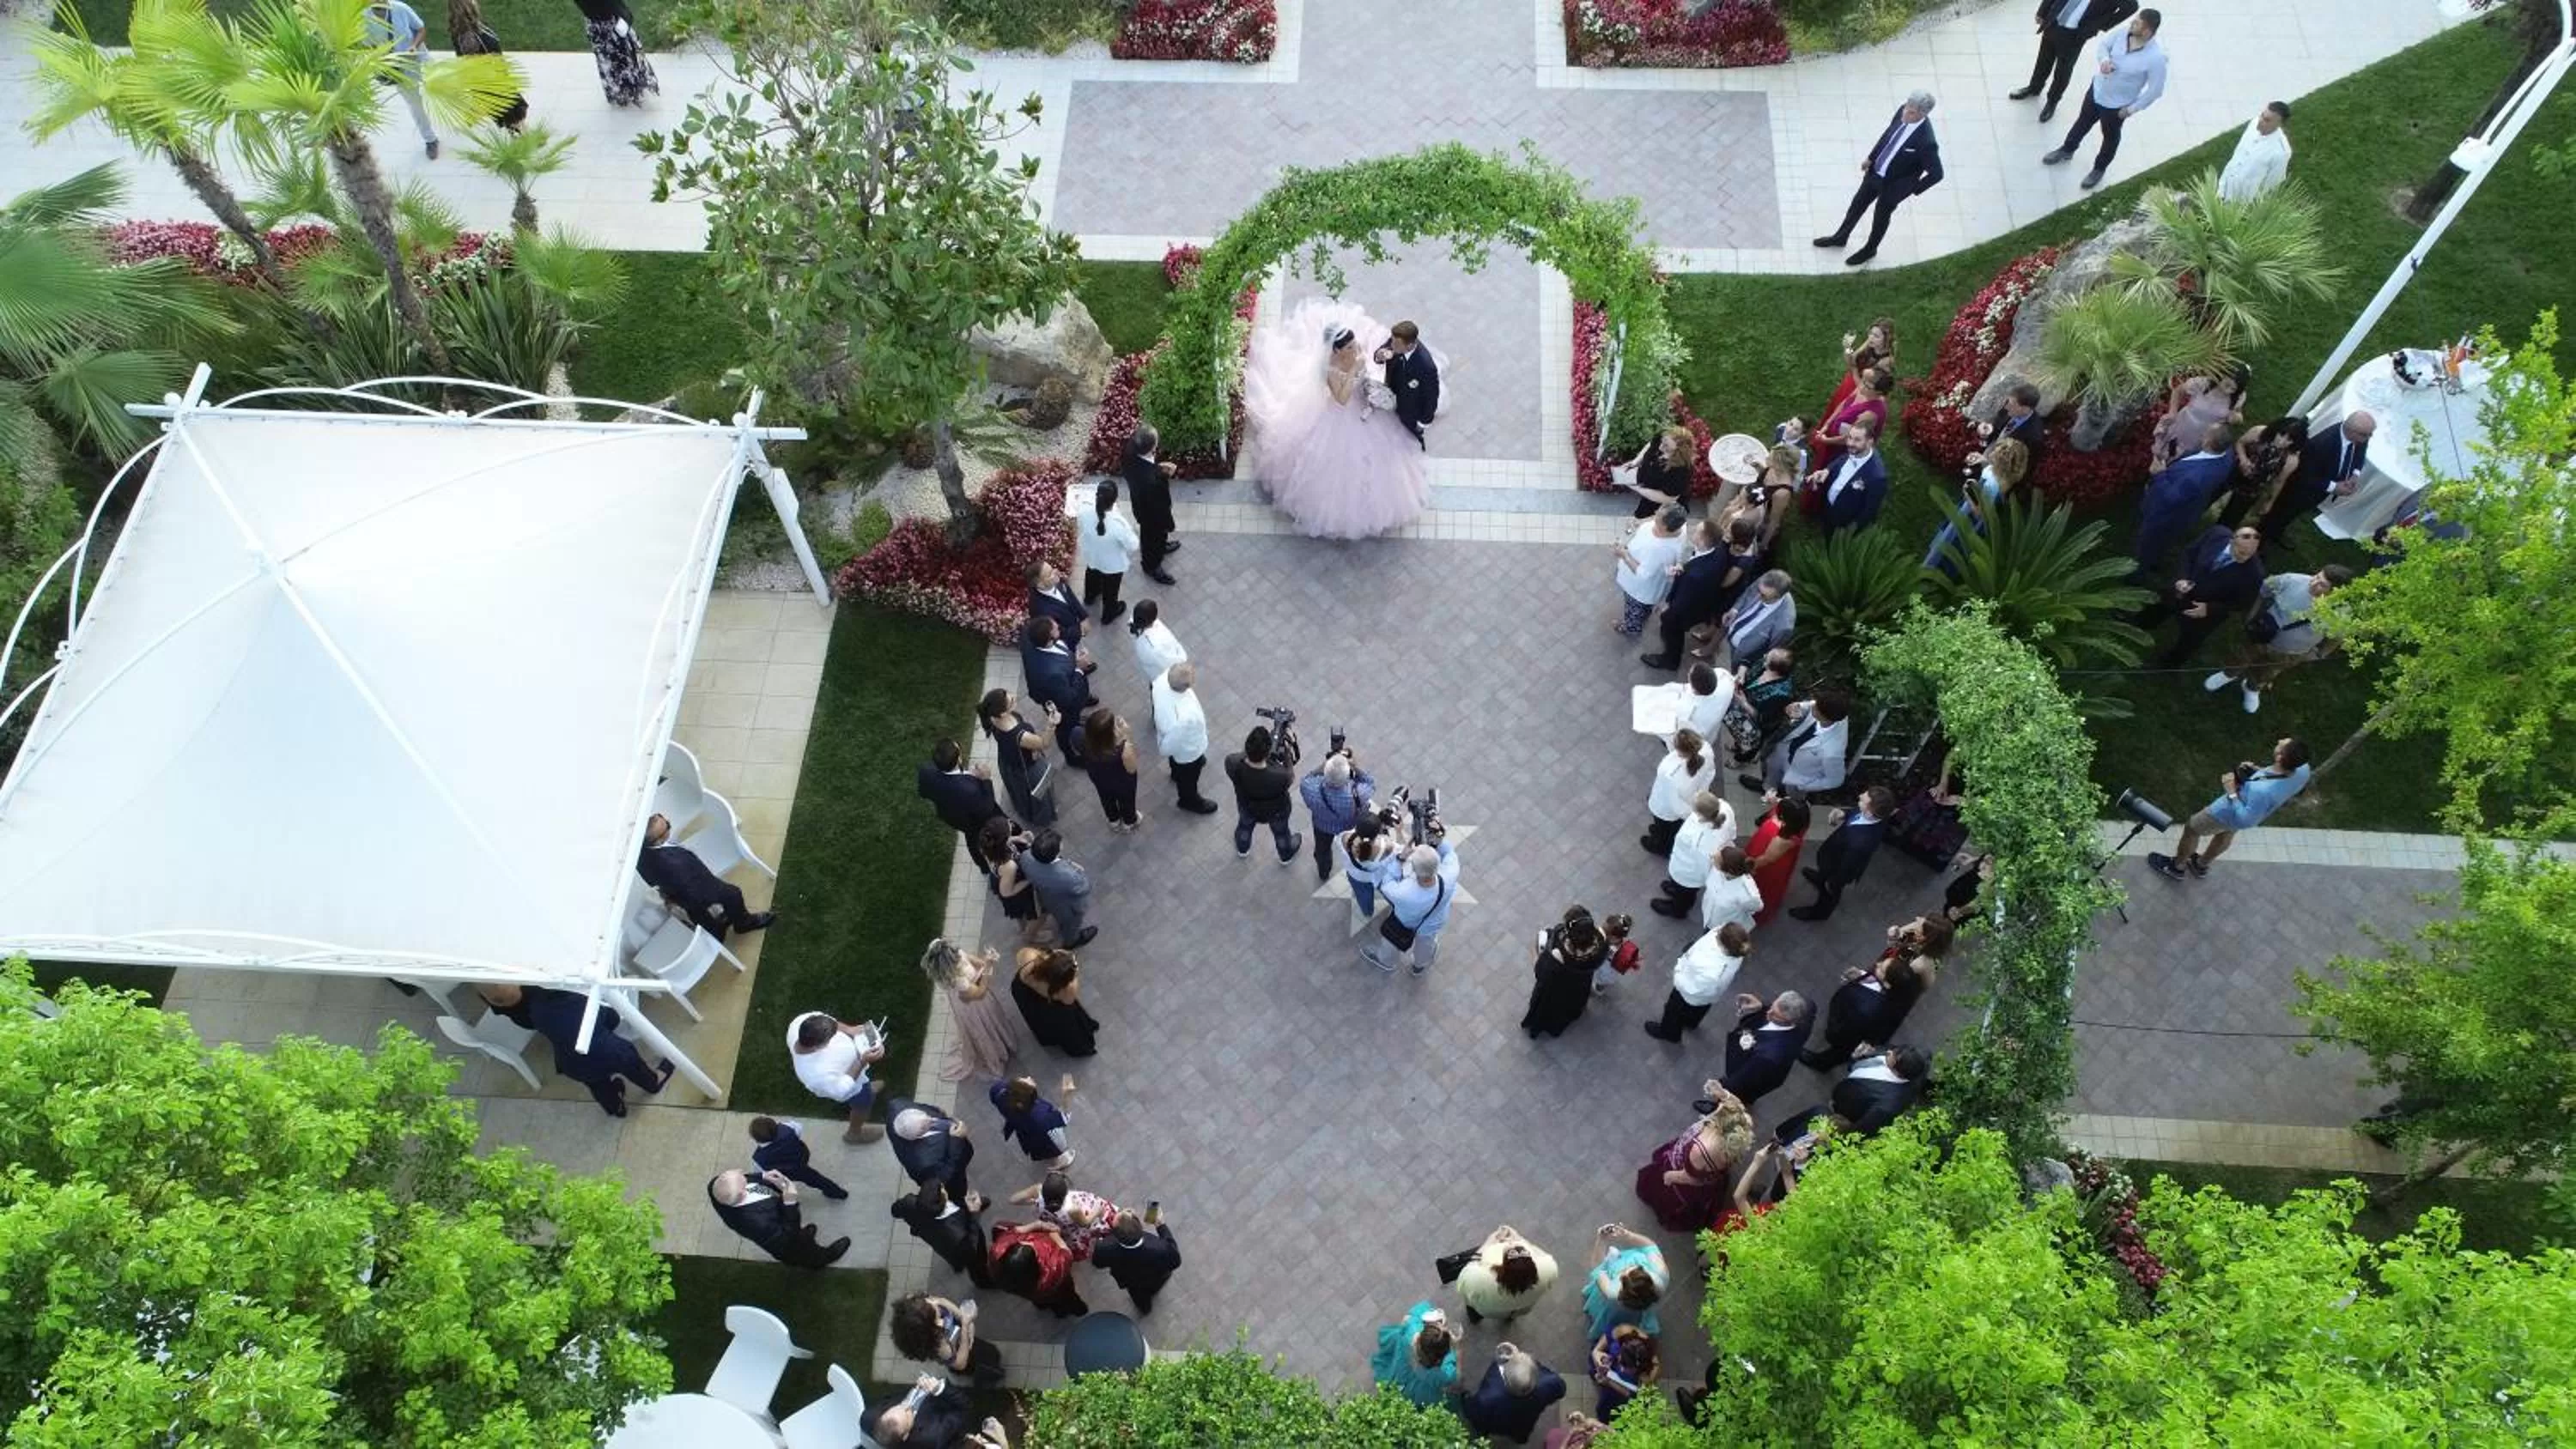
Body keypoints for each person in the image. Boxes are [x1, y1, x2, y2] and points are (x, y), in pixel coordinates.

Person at [1241, 301, 1431, 537]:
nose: (1355, 349)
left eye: (1354, 345)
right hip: (1339, 415)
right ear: (1336, 351)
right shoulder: (1328, 370)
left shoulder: (1355, 352)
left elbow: (1364, 366)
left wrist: (1368, 377)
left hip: (1364, 405)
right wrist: (1354, 371)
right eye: (1349, 347)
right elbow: (1341, 399)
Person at [479, 983, 668, 1116]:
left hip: (572, 1064)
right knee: (632, 1064)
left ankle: (614, 1107)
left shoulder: (532, 1016)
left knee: (597, 1084)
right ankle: (653, 1082)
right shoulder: (561, 1000)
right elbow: (611, 1018)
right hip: (608, 1051)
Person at [2149, 736, 2312, 879]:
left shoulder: (2262, 791)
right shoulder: (2303, 770)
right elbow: (2278, 777)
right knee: (2227, 832)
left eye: (2283, 744)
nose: (2280, 740)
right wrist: (2258, 771)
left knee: (2192, 828)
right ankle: (2200, 865)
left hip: (2227, 811)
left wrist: (2231, 791)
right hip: (2251, 809)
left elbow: (2246, 820)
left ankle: (2176, 867)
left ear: (2280, 757)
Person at [1813, 92, 1945, 267]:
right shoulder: (1901, 112)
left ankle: (1870, 249)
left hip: (1895, 186)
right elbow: (1887, 136)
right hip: (1875, 172)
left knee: (1880, 217)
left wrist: (1912, 188)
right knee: (1857, 205)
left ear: (1923, 114)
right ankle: (1840, 238)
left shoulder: (1926, 141)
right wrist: (1871, 157)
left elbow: (1937, 174)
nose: (1905, 113)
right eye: (1906, 108)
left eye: (1911, 113)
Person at [2041, 8, 2168, 190]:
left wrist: (2131, 109)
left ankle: (2099, 169)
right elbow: (2103, 46)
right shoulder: (2123, 33)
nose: (2132, 23)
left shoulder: (2155, 58)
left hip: (2117, 106)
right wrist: (2104, 60)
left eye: (2137, 22)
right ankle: (2067, 149)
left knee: (2110, 137)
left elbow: (2155, 91)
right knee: (2083, 121)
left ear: (2147, 31)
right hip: (2097, 90)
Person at [1804, 916, 1950, 1069]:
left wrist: (1891, 981)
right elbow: (1895, 942)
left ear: (1926, 937)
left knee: (1864, 1027)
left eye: (1920, 928)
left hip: (1893, 990)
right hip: (1886, 972)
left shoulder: (1924, 965)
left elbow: (1922, 988)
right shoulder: (1916, 930)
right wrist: (1894, 936)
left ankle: (1825, 1062)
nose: (1917, 924)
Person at [2207, 566, 2352, 712]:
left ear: (2335, 592)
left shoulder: (2340, 613)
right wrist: (2252, 615)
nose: (2314, 583)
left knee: (2269, 671)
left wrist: (2321, 654)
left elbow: (2337, 637)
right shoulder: (2291, 580)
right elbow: (2264, 589)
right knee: (2242, 655)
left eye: (2322, 584)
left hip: (2292, 653)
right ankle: (2229, 674)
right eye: (2317, 577)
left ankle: (2252, 687)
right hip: (2261, 636)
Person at [2135, 524, 2269, 666]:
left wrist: (2209, 609)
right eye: (2241, 553)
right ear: (2231, 541)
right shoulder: (2216, 534)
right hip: (2182, 589)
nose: (2245, 558)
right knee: (2161, 605)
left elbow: (2242, 603)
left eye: (2250, 554)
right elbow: (2189, 554)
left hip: (2204, 610)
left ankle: (2170, 662)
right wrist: (2181, 577)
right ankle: (2142, 623)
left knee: (2190, 639)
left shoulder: (2255, 574)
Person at [1633, 1084, 1754, 1229]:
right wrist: (1723, 1094)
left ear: (1721, 1123)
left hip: (1684, 1172)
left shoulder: (1702, 1150)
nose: (1719, 1105)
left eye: (1720, 1107)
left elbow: (1691, 1178)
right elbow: (1737, 1106)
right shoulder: (1741, 1125)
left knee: (1665, 1194)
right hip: (1707, 1171)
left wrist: (1669, 1177)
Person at [636, 811, 772, 939]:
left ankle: (715, 930)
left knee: (699, 915)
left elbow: (651, 879)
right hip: (695, 888)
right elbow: (694, 890)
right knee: (733, 894)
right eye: (668, 825)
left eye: (663, 818)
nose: (668, 820)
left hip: (677, 891)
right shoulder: (672, 864)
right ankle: (743, 924)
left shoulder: (641, 853)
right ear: (659, 840)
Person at [2132, 422, 2240, 578]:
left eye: (2206, 433)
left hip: (2166, 515)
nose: (2203, 434)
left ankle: (2137, 575)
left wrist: (2159, 474)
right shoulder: (2227, 454)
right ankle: (2156, 561)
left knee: (2148, 545)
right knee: (2163, 543)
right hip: (2188, 510)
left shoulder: (2197, 477)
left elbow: (2171, 498)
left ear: (2208, 442)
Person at [2261, 411, 2375, 550]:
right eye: (2366, 435)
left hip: (2318, 492)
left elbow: (2360, 453)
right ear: (2351, 431)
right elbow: (2304, 476)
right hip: (2299, 491)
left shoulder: (2360, 437)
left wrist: (2355, 474)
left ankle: (2276, 532)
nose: (2369, 437)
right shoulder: (2321, 445)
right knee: (2279, 513)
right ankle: (2261, 540)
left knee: (2292, 515)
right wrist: (2334, 487)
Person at [2011, 0, 2140, 122]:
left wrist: (2103, 24)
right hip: (2054, 22)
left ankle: (2052, 101)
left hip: (2076, 33)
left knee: (2063, 70)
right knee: (2043, 60)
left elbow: (2132, 6)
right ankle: (2034, 88)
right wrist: (2042, 11)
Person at [1925, 437, 2029, 576]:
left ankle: (1932, 567)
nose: (1992, 452)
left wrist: (1967, 493)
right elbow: (1989, 469)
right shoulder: (2001, 476)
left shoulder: (1993, 486)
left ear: (2000, 462)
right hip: (1972, 506)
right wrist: (1983, 461)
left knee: (1952, 539)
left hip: (1969, 518)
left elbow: (1980, 513)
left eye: (1996, 452)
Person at [1788, 787, 1894, 922]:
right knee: (1825, 873)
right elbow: (1856, 812)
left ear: (1871, 810)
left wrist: (1834, 882)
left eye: (1864, 799)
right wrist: (1843, 813)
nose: (1860, 795)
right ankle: (1821, 877)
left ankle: (1820, 912)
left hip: (1838, 867)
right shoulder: (1872, 815)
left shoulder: (1862, 842)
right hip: (1832, 854)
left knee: (1831, 891)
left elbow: (1847, 867)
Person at [708, 1167, 850, 1267]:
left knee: (802, 1235)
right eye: (743, 1180)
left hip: (782, 1226)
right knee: (806, 1253)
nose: (743, 1174)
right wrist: (790, 1203)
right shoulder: (757, 1224)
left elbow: (744, 1178)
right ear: (742, 1194)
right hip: (788, 1246)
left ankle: (806, 1235)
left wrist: (763, 1176)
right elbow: (789, 1235)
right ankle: (824, 1258)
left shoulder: (717, 1186)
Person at [1638, 519, 1728, 671]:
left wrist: (1666, 606)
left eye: (1697, 531)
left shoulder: (1696, 575)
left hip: (1684, 610)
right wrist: (1683, 569)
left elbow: (1682, 602)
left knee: (1672, 630)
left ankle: (1670, 661)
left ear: (1702, 540)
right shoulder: (1719, 551)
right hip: (1701, 600)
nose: (1693, 531)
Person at [1361, 841, 1461, 977]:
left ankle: (1385, 961)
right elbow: (1449, 852)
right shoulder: (1451, 873)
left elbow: (1386, 882)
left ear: (1414, 868)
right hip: (1434, 920)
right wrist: (1438, 839)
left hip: (1404, 922)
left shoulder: (1403, 892)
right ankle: (1419, 967)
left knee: (1391, 940)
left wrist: (1400, 859)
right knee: (1426, 944)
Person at [1643, 920, 1749, 1045]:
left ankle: (1670, 1033)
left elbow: (1691, 988)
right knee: (1699, 1008)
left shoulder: (1712, 972)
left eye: (1719, 933)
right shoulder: (1737, 950)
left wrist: (1678, 974)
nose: (1716, 931)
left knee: (1673, 1010)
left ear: (1725, 946)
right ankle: (1690, 1022)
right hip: (1706, 996)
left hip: (1689, 993)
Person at [787, 1009, 884, 1142]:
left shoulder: (800, 1022)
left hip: (859, 1075)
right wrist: (862, 1061)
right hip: (854, 1088)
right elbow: (842, 1089)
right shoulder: (816, 1076)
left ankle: (868, 1087)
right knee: (864, 1102)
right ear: (818, 1046)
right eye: (832, 1037)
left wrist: (850, 1030)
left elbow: (830, 1022)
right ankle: (854, 1133)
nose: (836, 1035)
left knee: (867, 1089)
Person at [918, 738, 1008, 874]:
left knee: (973, 842)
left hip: (955, 818)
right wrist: (986, 780)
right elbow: (987, 808)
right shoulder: (971, 790)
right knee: (987, 838)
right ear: (959, 759)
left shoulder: (926, 772)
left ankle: (984, 868)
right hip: (979, 820)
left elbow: (923, 793)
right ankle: (1001, 857)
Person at [361, 2, 439, 158]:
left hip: (419, 59)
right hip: (398, 70)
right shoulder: (364, 18)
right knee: (414, 103)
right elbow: (367, 46)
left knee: (440, 86)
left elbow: (421, 29)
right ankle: (430, 140)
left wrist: (413, 46)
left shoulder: (400, 9)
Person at [1520, 905, 1607, 1040]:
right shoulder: (1601, 945)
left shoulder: (1558, 954)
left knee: (1547, 1010)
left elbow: (1540, 973)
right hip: (1578, 989)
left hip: (1553, 993)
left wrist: (1534, 952)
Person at [1459, 1343, 1568, 1446]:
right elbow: (1561, 1390)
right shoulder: (1551, 1383)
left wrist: (1464, 1396)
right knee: (1521, 1435)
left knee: (1482, 1426)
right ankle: (1520, 1440)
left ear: (1505, 1379)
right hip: (1524, 1424)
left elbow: (1473, 1413)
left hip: (1497, 1424)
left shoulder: (1489, 1395)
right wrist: (1519, 1359)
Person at [1719, 991, 1814, 1107]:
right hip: (1761, 1066)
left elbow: (1742, 1080)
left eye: (1775, 1015)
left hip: (1751, 1070)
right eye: (1772, 1006)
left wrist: (1723, 1089)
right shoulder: (1806, 1007)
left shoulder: (1770, 1055)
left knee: (1739, 1091)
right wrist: (1761, 1005)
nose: (1768, 1013)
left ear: (1791, 1021)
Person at [977, 688, 1055, 829]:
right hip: (1029, 769)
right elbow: (1044, 743)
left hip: (1009, 763)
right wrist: (1051, 725)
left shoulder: (993, 717)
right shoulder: (1019, 735)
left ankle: (1024, 809)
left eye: (1009, 694)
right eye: (1011, 700)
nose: (1014, 696)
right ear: (1003, 713)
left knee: (1020, 792)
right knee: (1041, 793)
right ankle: (1043, 818)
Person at [890, 1293, 1005, 1388]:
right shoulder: (940, 1347)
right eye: (936, 1320)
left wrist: (961, 1316)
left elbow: (942, 1301)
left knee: (988, 1352)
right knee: (981, 1361)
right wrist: (965, 1326)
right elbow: (960, 1363)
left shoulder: (924, 1306)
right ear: (927, 1332)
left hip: (962, 1338)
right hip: (963, 1352)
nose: (941, 1318)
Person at [1751, 688, 1850, 798]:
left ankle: (1784, 805)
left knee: (1791, 797)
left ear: (1824, 717)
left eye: (1815, 708)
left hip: (1799, 775)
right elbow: (1812, 704)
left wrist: (1805, 785)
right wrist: (1799, 706)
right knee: (1772, 771)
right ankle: (1767, 789)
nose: (1812, 705)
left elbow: (1835, 780)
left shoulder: (1833, 751)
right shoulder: (1835, 712)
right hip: (1786, 749)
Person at [1651, 791, 1735, 919]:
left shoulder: (1701, 839)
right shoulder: (1725, 807)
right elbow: (1732, 831)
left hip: (1688, 873)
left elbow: (1703, 866)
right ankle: (1677, 892)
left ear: (1700, 813)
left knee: (1685, 893)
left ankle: (1678, 910)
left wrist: (1700, 881)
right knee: (1682, 890)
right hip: (1687, 869)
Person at [1018, 617, 1092, 762]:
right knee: (1065, 727)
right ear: (1049, 639)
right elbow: (1069, 699)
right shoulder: (1053, 674)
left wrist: (1074, 659)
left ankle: (1076, 721)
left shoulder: (1029, 634)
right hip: (1062, 703)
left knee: (1073, 720)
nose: (1058, 626)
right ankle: (1071, 756)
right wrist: (1079, 669)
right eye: (1055, 628)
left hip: (1052, 687)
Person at [1224, 725, 1302, 864]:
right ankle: (1285, 855)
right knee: (1281, 833)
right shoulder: (1280, 776)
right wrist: (1287, 753)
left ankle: (1243, 848)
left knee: (1244, 826)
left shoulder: (1232, 763)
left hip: (1247, 806)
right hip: (1276, 811)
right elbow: (1290, 776)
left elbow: (1240, 758)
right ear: (1267, 753)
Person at [446, 0, 526, 130]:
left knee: (514, 114)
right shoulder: (470, 36)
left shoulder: (471, 28)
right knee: (512, 115)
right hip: (494, 83)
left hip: (495, 79)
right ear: (466, 7)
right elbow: (474, 62)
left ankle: (523, 134)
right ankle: (522, 141)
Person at [1150, 662, 1218, 815]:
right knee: (1189, 778)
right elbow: (1170, 746)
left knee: (1178, 765)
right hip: (1187, 753)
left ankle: (1176, 774)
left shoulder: (1160, 682)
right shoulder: (1183, 718)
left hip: (1180, 749)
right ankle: (1189, 800)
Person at [892, 1179, 991, 1285]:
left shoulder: (908, 1202)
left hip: (934, 1235)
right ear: (943, 1199)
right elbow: (971, 1249)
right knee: (974, 1261)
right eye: (942, 1188)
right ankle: (982, 1281)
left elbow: (895, 1210)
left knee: (949, 1252)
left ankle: (957, 1265)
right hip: (961, 1244)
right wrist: (974, 1213)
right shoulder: (955, 1233)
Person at [1614, 504, 1692, 638]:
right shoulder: (1680, 527)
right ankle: (1643, 615)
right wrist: (1640, 523)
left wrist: (1624, 555)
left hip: (1639, 590)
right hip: (1655, 585)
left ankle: (1631, 629)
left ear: (1666, 527)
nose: (1654, 514)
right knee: (1644, 608)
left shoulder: (1659, 550)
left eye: (1658, 517)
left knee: (1634, 609)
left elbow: (1643, 574)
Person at [886, 1097, 981, 1207]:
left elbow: (920, 1107)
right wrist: (957, 1140)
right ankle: (966, 1204)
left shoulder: (896, 1105)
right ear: (916, 1136)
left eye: (924, 1116)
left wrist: (937, 1110)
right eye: (924, 1126)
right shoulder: (925, 1162)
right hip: (951, 1175)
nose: (931, 1119)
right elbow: (945, 1177)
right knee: (957, 1190)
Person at [2152, 367, 2250, 472]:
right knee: (2164, 451)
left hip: (2201, 437)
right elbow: (2178, 391)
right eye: (2227, 385)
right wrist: (2173, 412)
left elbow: (2237, 415)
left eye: (2233, 389)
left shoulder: (2238, 397)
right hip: (2183, 424)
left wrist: (2236, 418)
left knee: (2178, 463)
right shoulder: (2203, 384)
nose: (2228, 391)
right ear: (2222, 376)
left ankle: (2165, 474)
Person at [1457, 1224, 1560, 1324]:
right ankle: (1509, 1319)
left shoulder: (1478, 1279)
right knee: (1512, 1314)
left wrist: (1489, 1242)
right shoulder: (1549, 1269)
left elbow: (1466, 1276)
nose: (1511, 1243)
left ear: (1503, 1267)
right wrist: (1519, 1238)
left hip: (1489, 1310)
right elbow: (1540, 1253)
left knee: (1474, 1310)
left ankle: (1475, 1319)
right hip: (1521, 1307)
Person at [2221, 415, 2309, 530]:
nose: (2282, 441)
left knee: (2230, 520)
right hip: (2233, 470)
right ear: (2277, 429)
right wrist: (2243, 459)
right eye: (2282, 434)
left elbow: (2279, 481)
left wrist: (2270, 502)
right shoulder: (2260, 432)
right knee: (2211, 494)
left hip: (2253, 487)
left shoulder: (2291, 460)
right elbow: (2240, 443)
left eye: (2289, 440)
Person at [1299, 750, 1376, 882]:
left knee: (1322, 850)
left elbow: (1308, 778)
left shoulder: (1309, 788)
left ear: (1325, 773)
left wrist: (1326, 764)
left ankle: (1324, 872)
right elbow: (1370, 783)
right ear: (1347, 777)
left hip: (1322, 826)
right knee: (1353, 848)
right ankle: (1356, 866)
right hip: (1350, 826)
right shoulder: (1359, 794)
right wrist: (1354, 766)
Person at [1011, 1169, 1121, 1261]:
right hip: (1073, 1227)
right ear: (1065, 1194)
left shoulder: (1037, 1190)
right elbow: (1085, 1223)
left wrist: (1032, 1202)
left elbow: (1013, 1200)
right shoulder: (1072, 1209)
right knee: (1102, 1219)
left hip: (1055, 1225)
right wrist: (1097, 1210)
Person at [1579, 1226, 1667, 1340]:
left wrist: (1601, 1239)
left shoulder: (1612, 1293)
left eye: (1623, 1274)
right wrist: (1628, 1236)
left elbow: (1598, 1268)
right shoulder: (1661, 1273)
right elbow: (1649, 1246)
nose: (1625, 1268)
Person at [1010, 946, 1098, 1058]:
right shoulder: (1068, 988)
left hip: (1024, 994)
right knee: (1066, 1026)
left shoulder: (1031, 961)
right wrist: (1075, 972)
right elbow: (1069, 1001)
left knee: (1038, 1020)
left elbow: (1020, 954)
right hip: (1053, 1007)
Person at [1370, 1301, 1460, 1408]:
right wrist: (1458, 1346)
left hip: (1402, 1371)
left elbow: (1407, 1318)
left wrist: (1432, 1315)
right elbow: (1457, 1380)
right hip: (1420, 1392)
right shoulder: (1445, 1372)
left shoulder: (1412, 1330)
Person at [1015, 829, 1096, 949]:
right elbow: (1084, 887)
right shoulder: (1069, 877)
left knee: (1055, 914)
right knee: (1071, 924)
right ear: (1055, 853)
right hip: (1067, 906)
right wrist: (1077, 869)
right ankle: (1071, 941)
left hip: (1045, 897)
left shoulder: (1026, 857)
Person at [1817, 319, 1896, 440]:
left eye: (1876, 336)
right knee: (1836, 408)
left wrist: (1853, 370)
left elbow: (1868, 384)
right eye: (1870, 333)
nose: (1871, 338)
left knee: (1845, 417)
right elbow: (1852, 360)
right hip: (1851, 381)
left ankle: (1829, 438)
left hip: (1862, 389)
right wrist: (1847, 349)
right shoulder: (1870, 343)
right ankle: (1823, 431)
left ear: (1886, 339)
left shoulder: (1886, 361)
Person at [988, 1219, 1086, 1317]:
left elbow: (1009, 1230)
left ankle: (1046, 1306)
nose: (1030, 1242)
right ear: (1034, 1264)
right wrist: (1054, 1233)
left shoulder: (997, 1252)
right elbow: (1067, 1254)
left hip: (1029, 1293)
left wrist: (1037, 1225)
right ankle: (1074, 1310)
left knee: (1041, 1300)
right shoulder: (1053, 1269)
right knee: (1068, 1299)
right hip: (1059, 1290)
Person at [1642, 729, 1716, 858]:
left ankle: (1662, 847)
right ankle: (1661, 835)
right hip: (1690, 801)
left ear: (1680, 751)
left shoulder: (1669, 771)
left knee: (1667, 829)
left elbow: (1676, 807)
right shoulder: (1706, 749)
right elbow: (1710, 773)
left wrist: (1692, 814)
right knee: (1670, 828)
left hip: (1667, 810)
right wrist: (1700, 794)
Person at [1091, 1210, 1182, 1313]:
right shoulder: (1160, 1248)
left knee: (1140, 1299)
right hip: (1156, 1277)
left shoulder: (1103, 1248)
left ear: (1115, 1235)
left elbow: (1097, 1263)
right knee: (1155, 1286)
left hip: (1131, 1282)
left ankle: (1145, 1309)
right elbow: (1176, 1261)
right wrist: (1161, 1225)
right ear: (1140, 1226)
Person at [1122, 424, 1181, 585]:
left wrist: (1157, 469)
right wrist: (1163, 475)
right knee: (1151, 539)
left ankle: (1161, 547)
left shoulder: (1129, 453)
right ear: (1151, 447)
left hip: (1140, 504)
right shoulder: (1152, 481)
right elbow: (1161, 506)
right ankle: (1151, 566)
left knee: (1155, 538)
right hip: (1152, 515)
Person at [1810, 419, 1890, 534]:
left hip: (1844, 524)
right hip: (1828, 507)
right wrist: (1827, 470)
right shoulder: (1856, 450)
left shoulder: (1877, 477)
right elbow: (1842, 459)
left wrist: (1850, 532)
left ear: (1870, 442)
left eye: (1857, 440)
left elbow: (1869, 511)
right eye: (1850, 437)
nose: (1850, 443)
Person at [1809, 367, 1892, 479]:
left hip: (1843, 448)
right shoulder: (1864, 390)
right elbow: (1845, 403)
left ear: (1878, 392)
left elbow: (1851, 437)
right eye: (1863, 381)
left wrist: (1826, 441)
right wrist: (1827, 424)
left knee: (1829, 472)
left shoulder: (1871, 413)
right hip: (1832, 436)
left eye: (1868, 386)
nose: (1862, 386)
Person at [572, 0, 658, 107]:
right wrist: (626, 16)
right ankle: (630, 90)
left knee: (610, 61)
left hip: (597, 24)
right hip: (610, 23)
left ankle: (622, 93)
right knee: (625, 58)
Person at [1718, 444, 1801, 554]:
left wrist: (1763, 544)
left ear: (1780, 465)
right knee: (1727, 513)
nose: (1766, 458)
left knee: (1733, 526)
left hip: (1758, 516)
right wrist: (1759, 468)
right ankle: (1717, 535)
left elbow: (1774, 520)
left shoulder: (1782, 492)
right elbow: (1763, 482)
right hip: (1749, 502)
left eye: (1770, 458)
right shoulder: (1772, 468)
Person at [1078, 478, 1139, 625]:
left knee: (1091, 574)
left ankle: (1090, 597)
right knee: (1111, 590)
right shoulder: (1119, 524)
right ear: (1114, 500)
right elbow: (1133, 545)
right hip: (1112, 565)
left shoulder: (1084, 512)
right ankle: (1108, 614)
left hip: (1092, 556)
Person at [1742, 795, 1811, 926]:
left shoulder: (1782, 838)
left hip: (1766, 860)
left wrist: (1750, 867)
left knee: (1761, 886)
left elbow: (1767, 858)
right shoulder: (1800, 816)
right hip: (1771, 850)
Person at [1376, 318, 1443, 451]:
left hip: (1411, 410)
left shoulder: (1426, 367)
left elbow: (1431, 397)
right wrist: (1380, 355)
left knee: (1412, 435)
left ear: (1410, 345)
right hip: (1393, 392)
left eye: (1397, 344)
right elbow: (1380, 352)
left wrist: (1423, 422)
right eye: (1392, 341)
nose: (1392, 346)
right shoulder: (1395, 341)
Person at [870, 1374, 987, 1449]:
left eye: (898, 1406)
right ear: (906, 1436)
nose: (906, 1405)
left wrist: (916, 1388)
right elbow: (965, 1407)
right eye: (907, 1413)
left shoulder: (868, 1417)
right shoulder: (935, 1435)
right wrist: (940, 1389)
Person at [981, 819, 1048, 946]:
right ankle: (1031, 936)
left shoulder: (988, 846)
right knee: (1036, 913)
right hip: (1015, 888)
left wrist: (1018, 838)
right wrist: (1030, 879)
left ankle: (1024, 928)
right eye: (1008, 827)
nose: (1010, 823)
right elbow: (1007, 892)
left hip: (1004, 879)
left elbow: (1004, 841)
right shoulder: (1009, 866)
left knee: (1020, 913)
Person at [748, 1115, 846, 1199]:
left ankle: (782, 1202)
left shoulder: (759, 1159)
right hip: (800, 1161)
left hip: (783, 1173)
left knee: (779, 1188)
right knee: (816, 1179)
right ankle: (837, 1192)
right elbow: (798, 1127)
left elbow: (761, 1174)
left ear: (756, 1139)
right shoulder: (788, 1129)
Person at [989, 1074, 1077, 1168]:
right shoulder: (1040, 1116)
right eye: (1026, 1082)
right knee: (1056, 1147)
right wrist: (1067, 1096)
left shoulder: (999, 1092)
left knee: (1038, 1148)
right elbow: (1063, 1118)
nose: (1029, 1078)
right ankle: (1060, 1162)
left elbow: (994, 1094)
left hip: (1026, 1134)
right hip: (1044, 1135)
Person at [1731, 646, 1798, 767]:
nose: (1764, 655)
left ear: (1772, 668)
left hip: (1755, 725)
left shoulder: (1781, 695)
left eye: (1767, 657)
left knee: (1750, 745)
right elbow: (1746, 661)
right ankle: (1737, 745)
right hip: (1742, 715)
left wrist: (1744, 703)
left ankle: (1740, 761)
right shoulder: (1765, 665)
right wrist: (1741, 674)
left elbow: (1764, 719)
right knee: (1739, 736)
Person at [1718, 569, 1796, 672]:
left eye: (1763, 595)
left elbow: (1770, 651)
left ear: (1777, 597)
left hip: (1743, 658)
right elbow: (1749, 592)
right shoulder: (1764, 583)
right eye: (1759, 591)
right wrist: (1735, 609)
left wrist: (1745, 667)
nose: (1758, 596)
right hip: (1731, 639)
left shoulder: (1784, 625)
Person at [1079, 708, 1142, 833]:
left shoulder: (1082, 738)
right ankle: (1129, 821)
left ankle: (1113, 820)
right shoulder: (1122, 750)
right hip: (1122, 783)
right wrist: (1127, 737)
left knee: (1106, 798)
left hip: (1098, 778)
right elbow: (1132, 769)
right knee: (1127, 801)